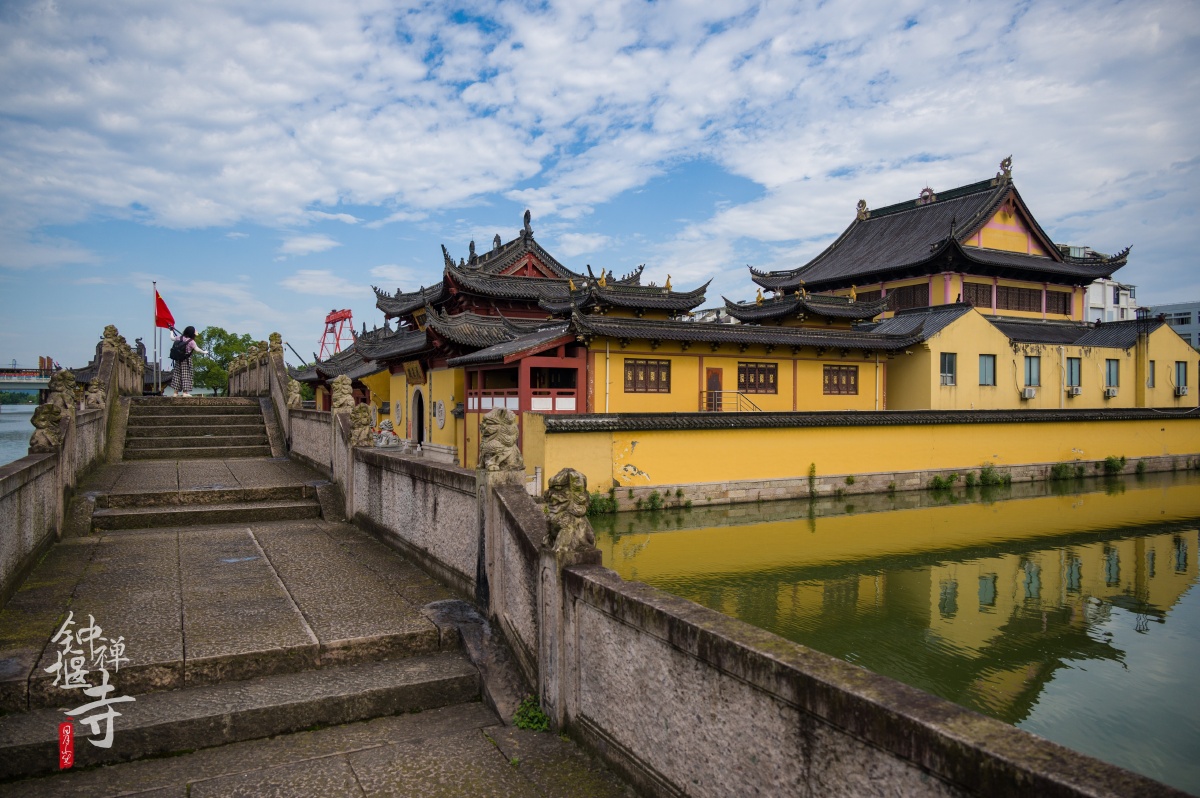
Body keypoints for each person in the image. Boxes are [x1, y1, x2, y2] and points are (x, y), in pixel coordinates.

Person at [169, 325, 208, 397]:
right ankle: (185, 392)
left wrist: (171, 331)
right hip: (186, 360)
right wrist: (204, 352)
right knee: (186, 375)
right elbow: (197, 349)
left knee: (177, 375)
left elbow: (172, 338)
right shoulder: (191, 341)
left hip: (178, 359)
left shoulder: (179, 337)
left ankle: (175, 393)